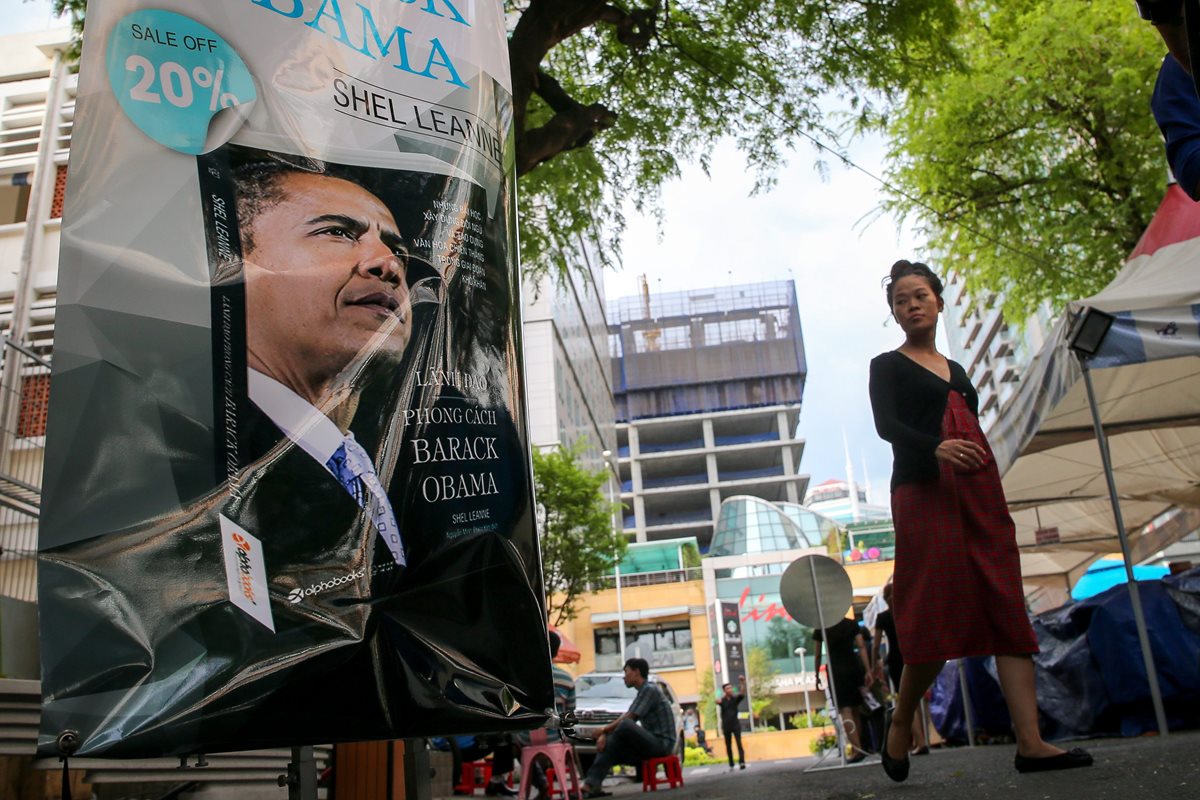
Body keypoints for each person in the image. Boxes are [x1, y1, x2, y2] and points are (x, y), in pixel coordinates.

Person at [36, 156, 547, 758]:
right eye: (336, 232)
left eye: (396, 250)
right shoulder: (157, 455)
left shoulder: (391, 468)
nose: (388, 265)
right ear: (235, 265)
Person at [868, 259, 1094, 781]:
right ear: (895, 313)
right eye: (901, 300)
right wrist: (937, 448)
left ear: (938, 301)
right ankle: (903, 718)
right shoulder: (887, 365)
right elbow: (886, 426)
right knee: (932, 607)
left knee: (1003, 598)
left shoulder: (961, 371)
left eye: (920, 294)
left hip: (978, 489)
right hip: (922, 492)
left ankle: (1032, 744)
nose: (912, 304)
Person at [581, 658, 676, 799]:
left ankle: (591, 785)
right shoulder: (642, 692)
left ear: (637, 672)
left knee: (625, 725)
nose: (624, 677)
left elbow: (629, 717)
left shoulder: (650, 690)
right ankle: (592, 785)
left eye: (626, 672)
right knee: (610, 746)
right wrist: (606, 737)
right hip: (650, 745)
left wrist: (603, 732)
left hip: (662, 744)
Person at [872, 582, 928, 755]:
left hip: (896, 660)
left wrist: (875, 664)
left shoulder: (883, 617)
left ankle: (920, 741)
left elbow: (875, 645)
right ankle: (921, 740)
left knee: (905, 700)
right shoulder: (909, 612)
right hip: (913, 655)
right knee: (917, 698)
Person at [812, 616, 873, 762]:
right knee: (856, 708)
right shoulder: (851, 624)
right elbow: (861, 646)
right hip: (853, 666)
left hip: (835, 670)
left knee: (845, 710)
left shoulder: (822, 627)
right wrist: (868, 669)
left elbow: (818, 653)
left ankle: (856, 748)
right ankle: (860, 747)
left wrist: (816, 675)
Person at [716, 674, 747, 770]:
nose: (730, 690)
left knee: (739, 743)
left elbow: (742, 694)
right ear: (724, 691)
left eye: (730, 688)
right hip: (726, 726)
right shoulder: (722, 700)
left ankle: (742, 762)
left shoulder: (735, 698)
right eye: (728, 688)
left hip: (735, 724)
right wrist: (717, 700)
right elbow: (717, 700)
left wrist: (742, 682)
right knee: (728, 745)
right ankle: (731, 763)